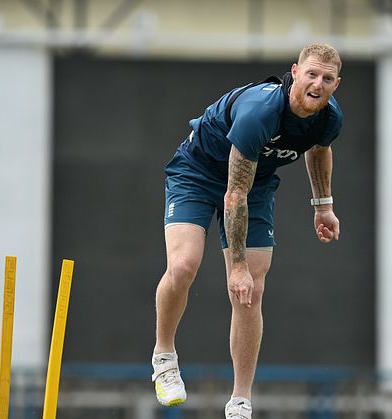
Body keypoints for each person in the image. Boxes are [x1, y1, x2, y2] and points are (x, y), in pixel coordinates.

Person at [151, 43, 343, 419]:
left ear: (337, 83)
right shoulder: (260, 112)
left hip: (256, 185)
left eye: (327, 78)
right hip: (200, 173)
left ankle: (240, 400)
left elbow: (319, 149)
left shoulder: (330, 117)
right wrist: (235, 264)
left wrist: (323, 205)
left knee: (251, 291)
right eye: (311, 74)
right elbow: (233, 194)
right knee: (184, 265)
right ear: (295, 72)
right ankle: (164, 356)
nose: (318, 84)